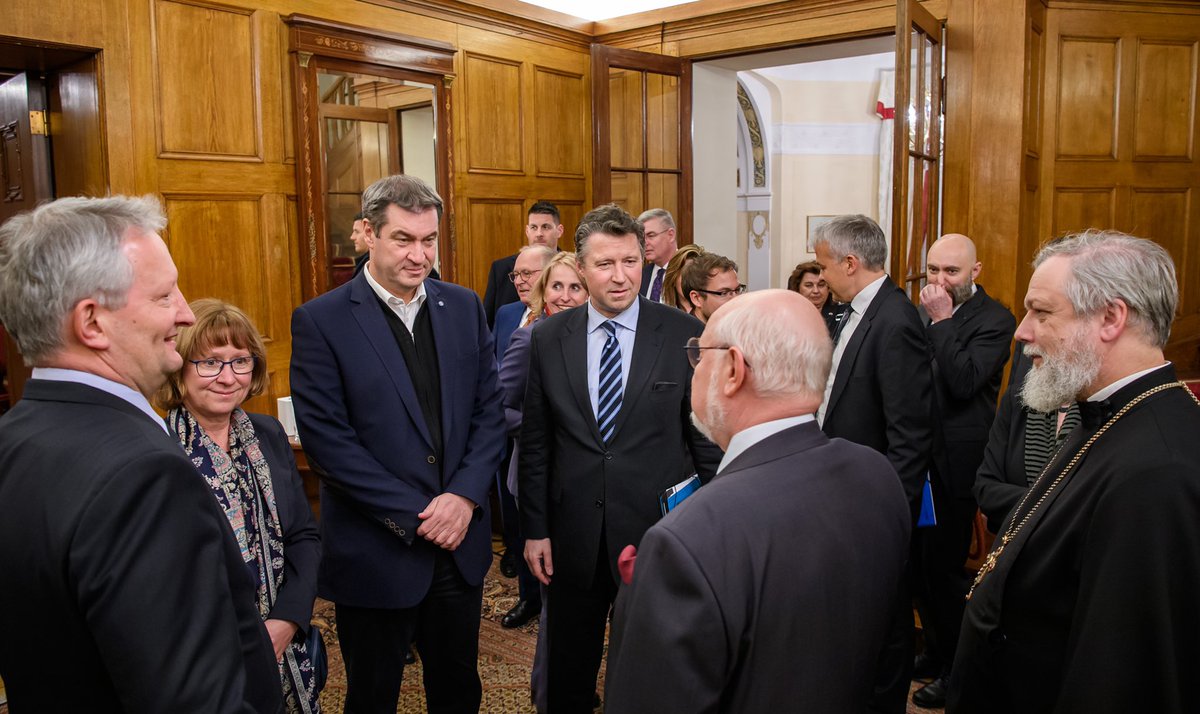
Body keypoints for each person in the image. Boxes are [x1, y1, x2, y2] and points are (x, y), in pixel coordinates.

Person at [0, 196, 280, 712]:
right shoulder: (143, 473)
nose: (184, 312)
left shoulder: (14, 436)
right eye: (163, 295)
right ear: (92, 323)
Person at [604, 289, 912, 713]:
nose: (693, 369)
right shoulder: (876, 474)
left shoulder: (687, 540)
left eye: (699, 355)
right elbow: (888, 657)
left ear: (733, 370)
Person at [949, 230, 1200, 714]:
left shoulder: (1158, 471)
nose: (1022, 332)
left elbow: (1121, 671)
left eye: (1042, 312)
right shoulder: (1103, 414)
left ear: (1110, 318)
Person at [289, 174, 505, 714]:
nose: (419, 255)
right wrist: (421, 515)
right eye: (403, 239)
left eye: (429, 240)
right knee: (372, 694)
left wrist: (464, 498)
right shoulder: (321, 320)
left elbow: (489, 414)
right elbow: (328, 444)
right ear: (368, 233)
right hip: (377, 551)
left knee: (459, 690)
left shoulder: (464, 306)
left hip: (458, 546)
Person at [519, 203, 723, 713]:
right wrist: (536, 529)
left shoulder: (680, 333)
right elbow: (538, 442)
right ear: (581, 267)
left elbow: (703, 442)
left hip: (657, 536)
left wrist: (713, 531)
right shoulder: (548, 337)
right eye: (605, 264)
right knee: (569, 675)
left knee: (653, 677)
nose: (620, 276)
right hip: (573, 538)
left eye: (630, 261)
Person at [158, 298, 322, 713]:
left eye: (240, 361)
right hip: (205, 655)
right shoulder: (158, 451)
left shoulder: (268, 434)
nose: (228, 377)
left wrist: (286, 620)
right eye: (210, 363)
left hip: (283, 643)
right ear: (179, 368)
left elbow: (303, 535)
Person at [813, 213, 932, 714]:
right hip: (845, 491)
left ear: (850, 262)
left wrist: (890, 515)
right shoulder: (856, 310)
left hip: (873, 505)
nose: (820, 277)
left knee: (886, 624)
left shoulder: (895, 320)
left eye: (824, 267)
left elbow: (910, 435)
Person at [911, 233, 1015, 708]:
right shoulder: (921, 310)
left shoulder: (996, 320)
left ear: (975, 271)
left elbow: (964, 381)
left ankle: (958, 668)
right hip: (917, 455)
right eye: (933, 269)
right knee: (919, 569)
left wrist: (942, 320)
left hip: (957, 462)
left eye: (951, 271)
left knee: (947, 571)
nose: (940, 280)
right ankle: (935, 650)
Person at [498, 251, 589, 712]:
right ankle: (548, 694)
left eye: (576, 287)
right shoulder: (530, 337)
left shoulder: (597, 340)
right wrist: (546, 427)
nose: (566, 296)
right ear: (543, 292)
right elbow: (499, 408)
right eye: (558, 287)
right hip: (540, 483)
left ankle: (576, 683)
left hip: (585, 485)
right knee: (559, 602)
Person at [973, 344, 1080, 533]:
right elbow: (985, 491)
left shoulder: (1106, 410)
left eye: (1045, 326)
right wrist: (1062, 506)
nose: (1022, 335)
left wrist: (1011, 504)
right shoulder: (1017, 399)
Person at [483, 201, 563, 327]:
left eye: (546, 227)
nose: (539, 234)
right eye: (534, 227)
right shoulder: (501, 269)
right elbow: (488, 321)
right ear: (527, 231)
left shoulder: (573, 268)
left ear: (559, 231)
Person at [682, 251, 745, 323]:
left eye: (737, 290)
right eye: (724, 293)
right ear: (696, 298)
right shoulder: (684, 329)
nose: (736, 299)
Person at [788, 259, 847, 333]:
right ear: (798, 287)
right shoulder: (788, 314)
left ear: (828, 287)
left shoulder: (844, 312)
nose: (816, 291)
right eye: (809, 285)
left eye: (821, 285)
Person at [637, 208, 678, 302]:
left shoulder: (691, 271)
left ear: (671, 235)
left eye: (651, 235)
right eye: (642, 238)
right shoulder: (641, 275)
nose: (645, 243)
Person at [662, 243, 704, 315]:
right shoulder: (664, 314)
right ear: (673, 278)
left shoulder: (712, 314)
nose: (692, 281)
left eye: (697, 275)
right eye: (687, 274)